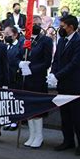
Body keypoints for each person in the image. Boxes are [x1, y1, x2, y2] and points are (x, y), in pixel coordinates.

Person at [48, 15, 80, 155]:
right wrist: (53, 73)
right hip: (63, 85)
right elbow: (56, 60)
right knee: (65, 116)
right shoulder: (61, 42)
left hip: (75, 85)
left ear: (71, 27)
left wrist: (58, 75)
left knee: (77, 116)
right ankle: (68, 141)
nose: (61, 29)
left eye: (63, 26)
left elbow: (75, 63)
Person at [19, 18, 53, 148]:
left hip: (38, 79)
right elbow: (19, 55)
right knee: (29, 108)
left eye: (38, 24)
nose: (36, 26)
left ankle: (39, 136)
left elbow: (47, 62)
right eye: (33, 24)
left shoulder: (46, 40)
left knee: (37, 109)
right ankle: (32, 135)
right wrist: (21, 64)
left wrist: (31, 69)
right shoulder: (24, 40)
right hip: (25, 79)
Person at [2, 26, 23, 131]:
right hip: (7, 76)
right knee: (8, 99)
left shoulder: (20, 46)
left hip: (16, 76)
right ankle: (9, 119)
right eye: (5, 34)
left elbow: (17, 59)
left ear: (15, 35)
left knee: (15, 99)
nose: (6, 36)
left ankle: (15, 120)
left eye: (8, 34)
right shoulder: (5, 46)